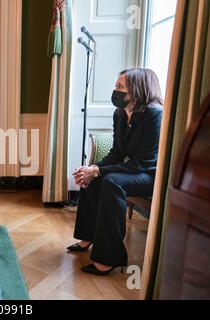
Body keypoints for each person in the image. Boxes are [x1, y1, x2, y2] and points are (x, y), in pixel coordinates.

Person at [68, 68, 164, 276]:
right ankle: (88, 236)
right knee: (92, 178)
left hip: (151, 174)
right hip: (135, 168)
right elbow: (117, 152)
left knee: (111, 181)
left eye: (120, 87)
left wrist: (98, 170)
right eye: (115, 86)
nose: (115, 90)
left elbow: (143, 163)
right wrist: (91, 169)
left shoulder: (155, 115)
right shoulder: (120, 113)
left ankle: (108, 258)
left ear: (138, 89)